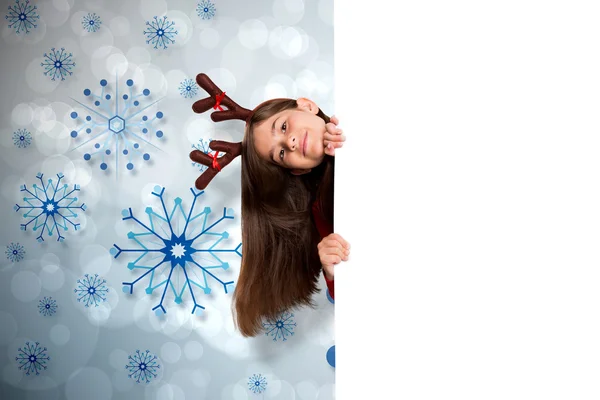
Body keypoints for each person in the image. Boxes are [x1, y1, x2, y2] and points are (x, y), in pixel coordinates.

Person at [189, 74, 351, 338]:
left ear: (307, 105)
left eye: (284, 127)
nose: (289, 142)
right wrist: (334, 273)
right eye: (282, 154)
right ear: (298, 171)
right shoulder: (323, 211)